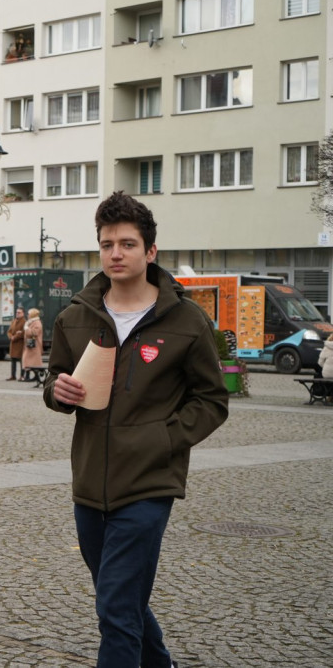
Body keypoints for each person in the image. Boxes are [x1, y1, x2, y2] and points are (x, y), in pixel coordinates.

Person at [44, 191, 229, 668]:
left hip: (149, 483)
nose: (115, 254)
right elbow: (56, 380)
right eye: (107, 244)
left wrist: (164, 439)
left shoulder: (186, 321)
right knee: (119, 596)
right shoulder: (75, 316)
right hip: (89, 483)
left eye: (127, 244)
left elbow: (211, 400)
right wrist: (56, 392)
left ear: (150, 251)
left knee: (114, 608)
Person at [21, 308, 43, 381]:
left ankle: (34, 376)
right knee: (27, 360)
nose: (28, 315)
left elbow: (35, 332)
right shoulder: (30, 322)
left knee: (33, 361)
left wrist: (27, 329)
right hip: (30, 345)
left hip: (34, 346)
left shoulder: (37, 322)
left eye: (29, 314)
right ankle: (29, 375)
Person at [6, 307, 27, 381]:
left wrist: (15, 337)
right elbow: (9, 331)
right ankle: (13, 375)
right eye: (16, 312)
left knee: (21, 361)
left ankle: (22, 375)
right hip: (13, 344)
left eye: (19, 312)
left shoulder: (24, 322)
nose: (17, 314)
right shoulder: (14, 321)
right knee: (13, 360)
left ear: (23, 313)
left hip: (20, 344)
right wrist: (11, 336)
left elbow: (23, 332)